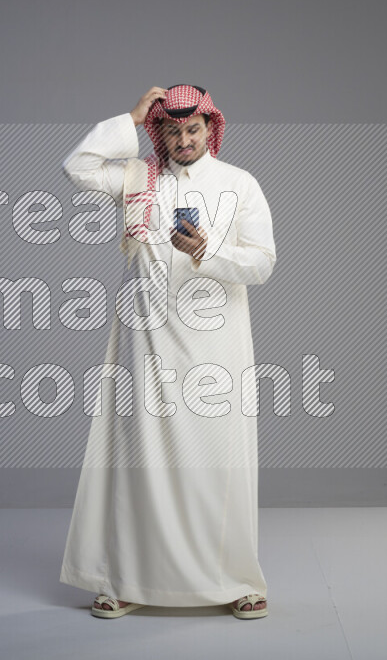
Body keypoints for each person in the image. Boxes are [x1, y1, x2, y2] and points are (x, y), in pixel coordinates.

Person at [59, 84, 276, 619]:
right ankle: (129, 579)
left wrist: (209, 250)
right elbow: (77, 166)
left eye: (193, 129)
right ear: (159, 132)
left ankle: (235, 580)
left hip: (215, 347)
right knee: (142, 460)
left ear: (210, 129)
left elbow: (262, 263)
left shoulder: (239, 184)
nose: (184, 140)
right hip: (146, 341)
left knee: (216, 462)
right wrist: (130, 119)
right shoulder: (137, 177)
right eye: (172, 131)